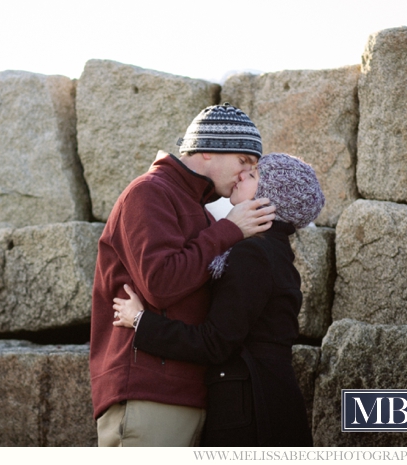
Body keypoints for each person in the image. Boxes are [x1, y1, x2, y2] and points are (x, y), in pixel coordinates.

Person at [90, 103, 277, 447]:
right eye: (243, 162)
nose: (245, 174)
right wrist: (229, 230)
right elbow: (161, 284)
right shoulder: (149, 192)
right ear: (207, 150)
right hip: (149, 394)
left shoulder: (201, 212)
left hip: (192, 393)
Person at [112, 153, 324, 447]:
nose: (241, 175)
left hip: (251, 408)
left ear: (269, 198)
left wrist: (141, 321)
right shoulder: (273, 251)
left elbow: (215, 342)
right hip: (262, 398)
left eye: (252, 175)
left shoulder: (254, 254)